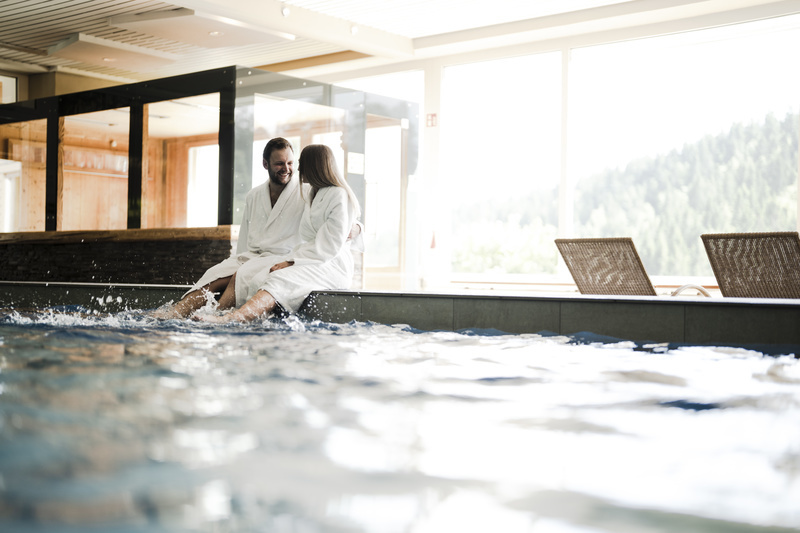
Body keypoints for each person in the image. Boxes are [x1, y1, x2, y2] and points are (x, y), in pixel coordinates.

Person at [152, 137, 359, 319]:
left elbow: (340, 217)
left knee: (241, 275)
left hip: (285, 255)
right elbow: (245, 236)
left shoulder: (306, 190)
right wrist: (238, 259)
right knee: (216, 273)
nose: (286, 169)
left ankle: (220, 315)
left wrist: (356, 228)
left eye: (290, 163)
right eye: (279, 163)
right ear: (265, 164)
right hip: (254, 254)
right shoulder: (255, 195)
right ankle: (177, 312)